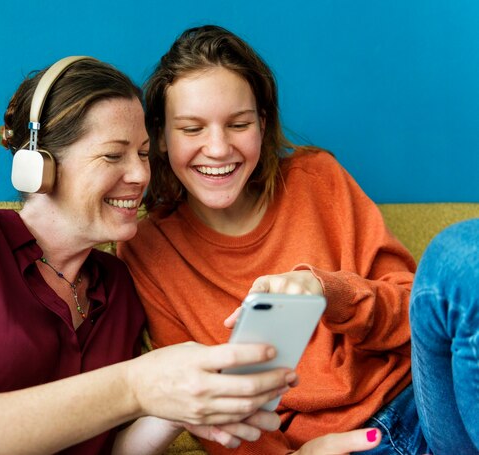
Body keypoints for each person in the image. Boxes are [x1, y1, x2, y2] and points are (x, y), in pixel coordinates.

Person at [0, 56, 300, 454]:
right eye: (113, 156)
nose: (141, 174)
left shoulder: (117, 284)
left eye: (144, 154)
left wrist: (179, 406)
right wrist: (136, 385)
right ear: (39, 164)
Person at [118, 25, 433, 454]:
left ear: (262, 125)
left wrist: (326, 291)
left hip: (422, 402)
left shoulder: (318, 179)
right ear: (160, 135)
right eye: (191, 129)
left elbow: (417, 317)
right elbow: (206, 404)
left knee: (458, 260)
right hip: (335, 447)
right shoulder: (147, 248)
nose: (217, 148)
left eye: (239, 124)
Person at [409, 219, 479, 453]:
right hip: (349, 439)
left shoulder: (319, 187)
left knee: (458, 255)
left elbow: (405, 297)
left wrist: (334, 293)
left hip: (431, 393)